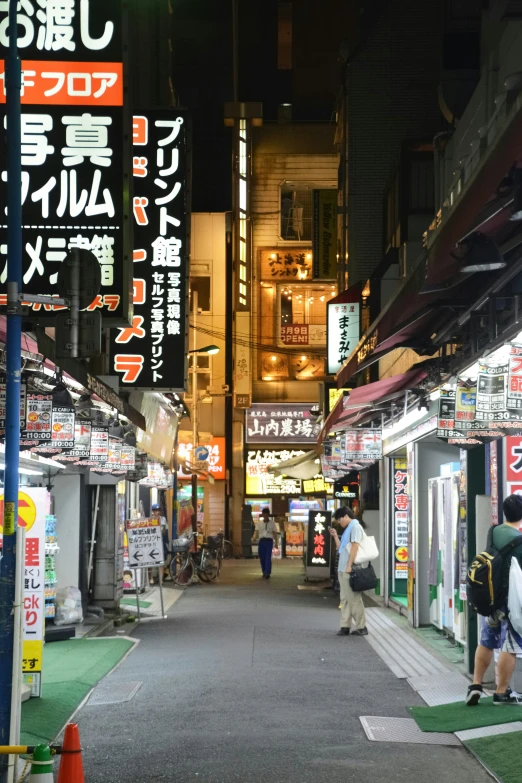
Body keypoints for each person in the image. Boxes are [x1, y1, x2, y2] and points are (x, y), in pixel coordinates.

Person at [466, 494, 522, 706]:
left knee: (486, 641)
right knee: (510, 646)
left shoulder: (494, 531)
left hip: (489, 597)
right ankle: (501, 693)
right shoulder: (519, 540)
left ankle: (476, 685)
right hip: (509, 603)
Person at [329, 506, 368, 636]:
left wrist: (349, 565)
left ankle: (361, 626)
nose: (339, 522)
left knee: (354, 598)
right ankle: (345, 626)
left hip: (349, 568)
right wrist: (335, 536)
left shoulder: (355, 527)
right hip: (343, 568)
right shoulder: (348, 529)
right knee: (345, 598)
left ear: (346, 516)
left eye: (339, 519)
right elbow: (342, 548)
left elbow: (355, 547)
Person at [150, 503, 169, 586]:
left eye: (158, 510)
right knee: (150, 561)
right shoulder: (150, 520)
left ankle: (161, 580)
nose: (157, 512)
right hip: (152, 542)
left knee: (161, 561)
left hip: (161, 542)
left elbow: (166, 531)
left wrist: (167, 543)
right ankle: (150, 578)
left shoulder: (163, 519)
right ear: (153, 511)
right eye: (155, 510)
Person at [256, 507, 278, 579]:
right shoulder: (259, 523)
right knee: (262, 557)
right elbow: (256, 532)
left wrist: (276, 543)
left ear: (268, 515)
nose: (265, 516)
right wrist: (253, 538)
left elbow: (274, 533)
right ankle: (264, 571)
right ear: (262, 515)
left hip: (269, 541)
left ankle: (267, 573)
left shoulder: (272, 523)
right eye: (264, 514)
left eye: (266, 514)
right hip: (262, 541)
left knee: (268, 557)